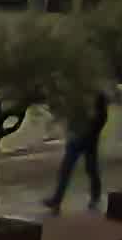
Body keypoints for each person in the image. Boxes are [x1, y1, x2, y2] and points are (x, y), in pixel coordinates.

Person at [47, 82, 110, 213]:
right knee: (67, 169)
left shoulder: (98, 98)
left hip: (88, 140)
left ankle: (95, 196)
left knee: (90, 169)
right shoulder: (77, 97)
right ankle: (57, 200)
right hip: (78, 139)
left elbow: (100, 119)